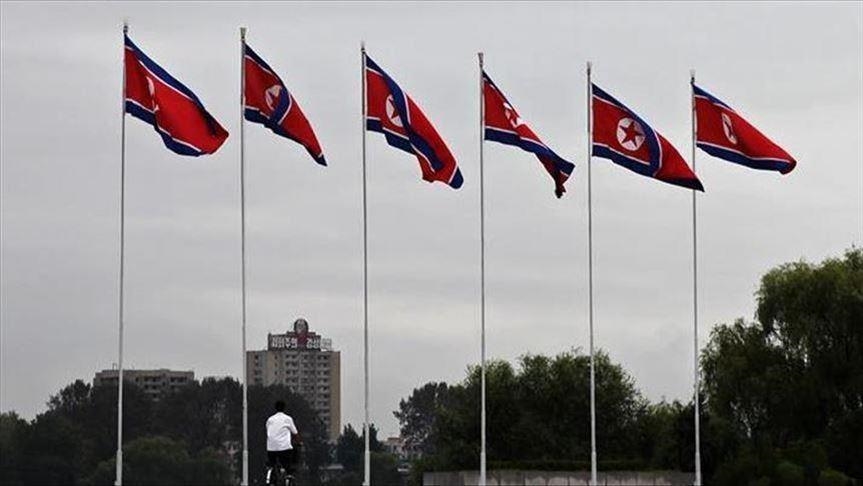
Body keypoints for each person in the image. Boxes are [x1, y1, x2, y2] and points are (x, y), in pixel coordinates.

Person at [266, 400, 301, 484]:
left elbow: (268, 431)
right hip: (284, 449)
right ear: (284, 408)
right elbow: (295, 433)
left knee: (272, 464)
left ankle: (271, 475)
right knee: (293, 454)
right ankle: (289, 474)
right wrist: (299, 442)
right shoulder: (287, 419)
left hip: (271, 449)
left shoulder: (270, 420)